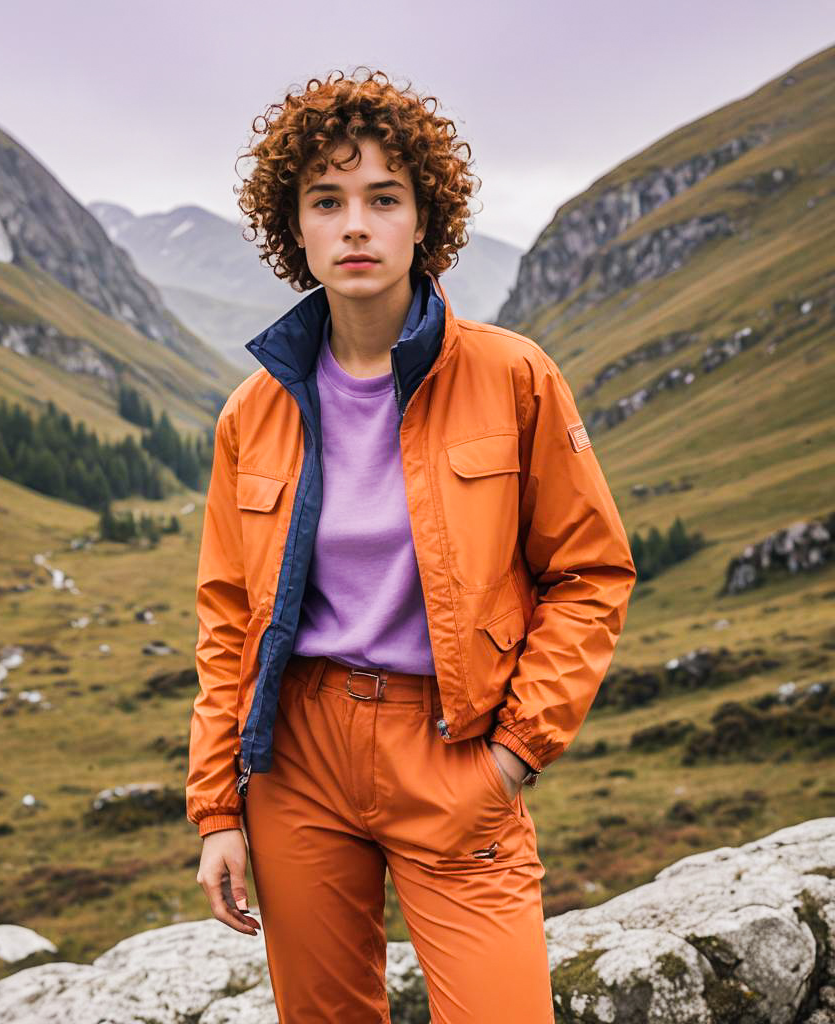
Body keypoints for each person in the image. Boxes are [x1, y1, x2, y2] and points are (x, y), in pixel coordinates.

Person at [186, 66, 636, 1023]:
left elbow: (590, 574)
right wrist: (218, 810)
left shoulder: (515, 378)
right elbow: (228, 623)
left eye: (383, 198)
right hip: (295, 765)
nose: (356, 225)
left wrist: (513, 755)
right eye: (327, 200)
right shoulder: (249, 416)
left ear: (423, 220)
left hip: (455, 750)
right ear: (293, 226)